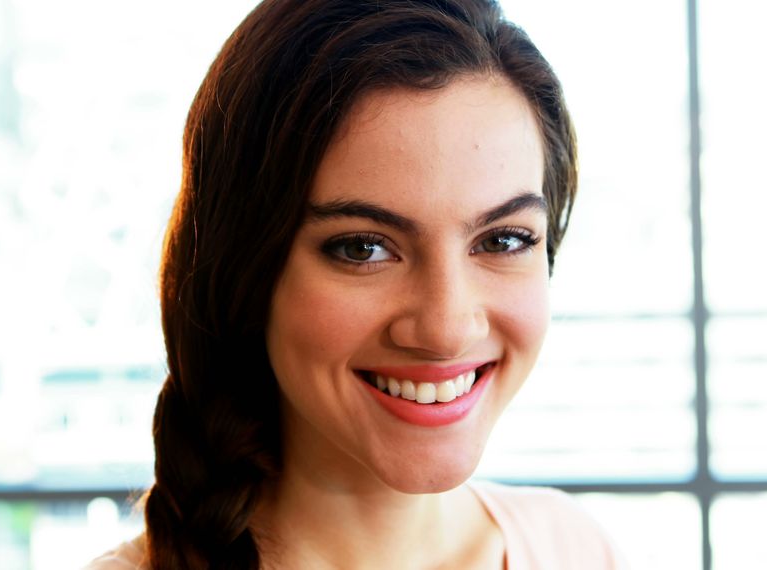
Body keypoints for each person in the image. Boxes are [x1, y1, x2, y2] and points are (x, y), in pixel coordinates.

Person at [87, 0, 625, 567]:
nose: (445, 329)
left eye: (502, 240)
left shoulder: (576, 548)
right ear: (245, 271)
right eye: (362, 248)